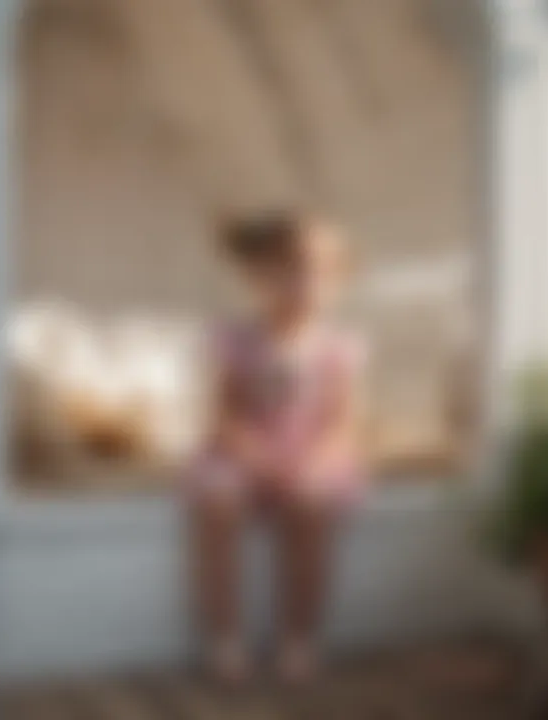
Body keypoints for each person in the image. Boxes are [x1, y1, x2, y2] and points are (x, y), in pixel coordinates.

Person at [186, 211, 365, 686]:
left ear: (339, 283)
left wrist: (312, 462)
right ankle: (224, 638)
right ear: (256, 276)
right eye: (288, 269)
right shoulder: (236, 339)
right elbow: (223, 415)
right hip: (245, 451)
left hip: (309, 454)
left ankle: (299, 637)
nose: (304, 283)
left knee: (311, 504)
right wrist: (256, 459)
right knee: (217, 502)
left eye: (321, 273)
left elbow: (341, 424)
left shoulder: (337, 348)